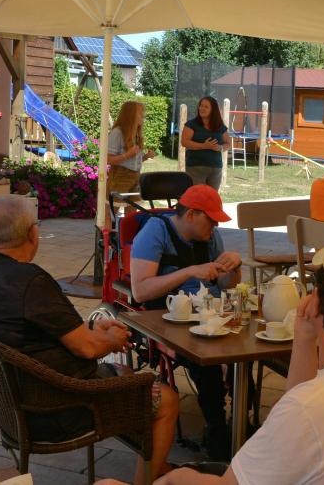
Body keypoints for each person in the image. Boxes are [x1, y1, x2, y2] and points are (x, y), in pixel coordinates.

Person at [152, 236, 324, 484]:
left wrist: (178, 477)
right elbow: (301, 411)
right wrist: (304, 337)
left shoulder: (309, 409)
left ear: (317, 304)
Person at [0, 196, 178, 483]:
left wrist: (93, 331)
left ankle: (155, 461)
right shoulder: (31, 281)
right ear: (32, 233)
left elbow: (51, 333)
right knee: (166, 398)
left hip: (15, 407)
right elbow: (87, 348)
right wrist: (112, 340)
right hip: (58, 411)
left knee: (126, 375)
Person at [129, 185, 240, 459]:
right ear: (191, 214)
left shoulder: (209, 237)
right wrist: (189, 271)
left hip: (211, 313)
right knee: (206, 360)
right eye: (211, 220)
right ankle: (217, 430)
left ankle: (240, 419)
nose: (215, 226)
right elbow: (140, 291)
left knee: (244, 354)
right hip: (170, 317)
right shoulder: (155, 231)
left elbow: (225, 286)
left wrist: (234, 268)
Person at [107, 100, 155, 203]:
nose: (143, 116)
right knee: (113, 208)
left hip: (135, 177)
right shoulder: (117, 132)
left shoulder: (136, 135)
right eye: (140, 113)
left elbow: (133, 161)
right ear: (130, 115)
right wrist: (127, 155)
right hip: (120, 177)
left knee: (133, 208)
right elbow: (108, 159)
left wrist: (146, 156)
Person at [182, 96, 229, 190]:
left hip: (215, 168)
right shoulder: (191, 124)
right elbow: (184, 142)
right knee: (198, 196)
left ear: (213, 110)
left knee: (212, 196)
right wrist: (204, 146)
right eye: (201, 106)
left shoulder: (220, 126)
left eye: (206, 106)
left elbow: (228, 144)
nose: (202, 108)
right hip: (195, 168)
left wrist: (220, 147)